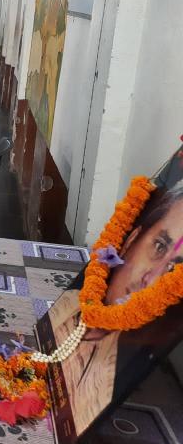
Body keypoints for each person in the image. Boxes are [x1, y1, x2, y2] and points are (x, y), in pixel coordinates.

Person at [50, 180, 183, 435]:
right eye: (159, 246)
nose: (150, 280)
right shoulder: (66, 304)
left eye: (174, 270)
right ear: (131, 240)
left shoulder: (107, 381)